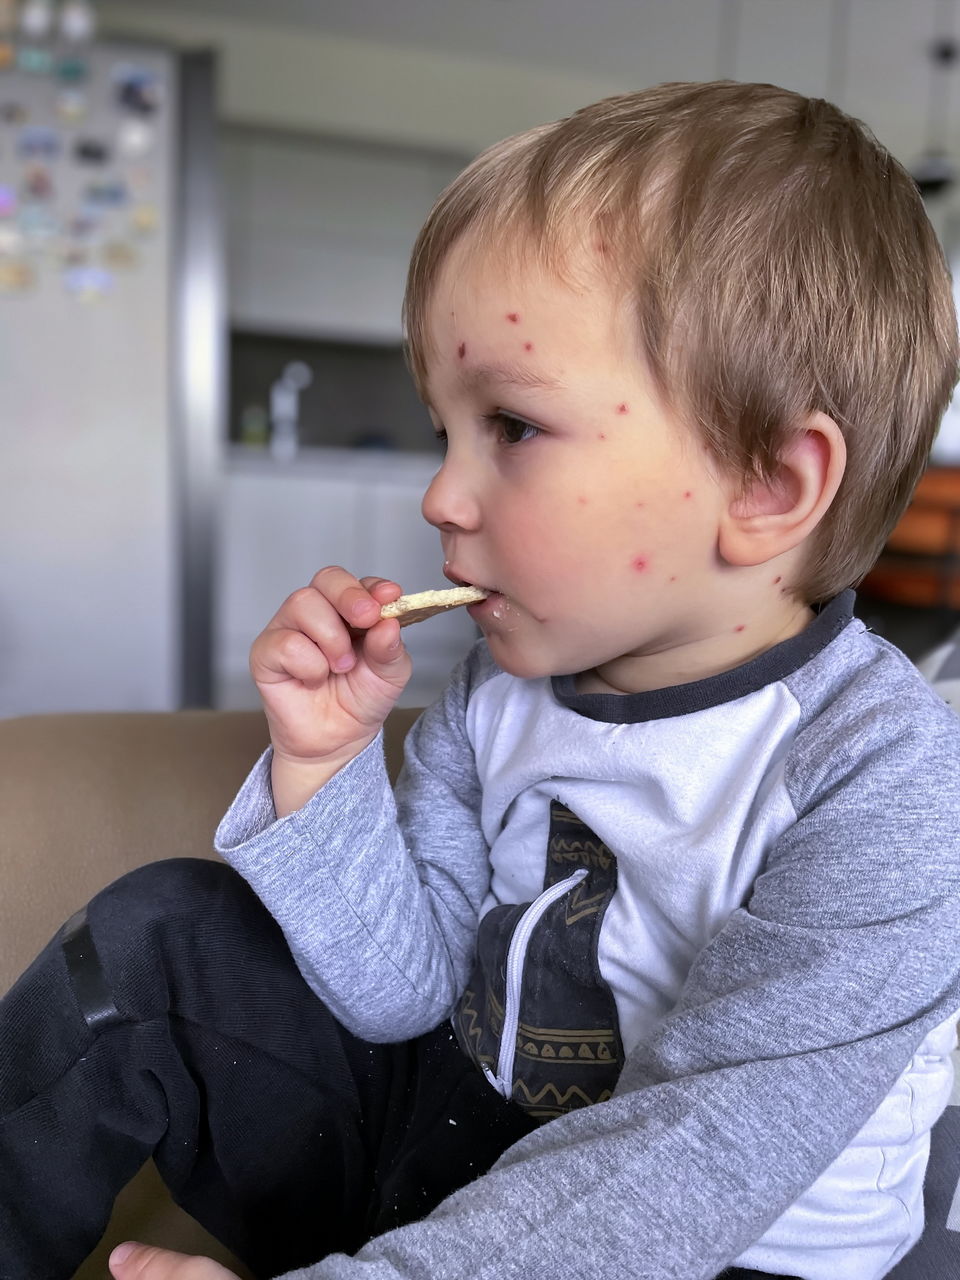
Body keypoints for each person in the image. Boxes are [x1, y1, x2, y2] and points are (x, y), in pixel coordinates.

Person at [2, 80, 960, 1280]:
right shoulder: (495, 695)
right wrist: (323, 760)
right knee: (162, 935)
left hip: (717, 1232)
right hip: (458, 1150)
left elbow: (696, 1150)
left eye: (510, 425)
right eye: (443, 428)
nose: (441, 498)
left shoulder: (882, 771)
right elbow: (400, 993)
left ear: (767, 485)